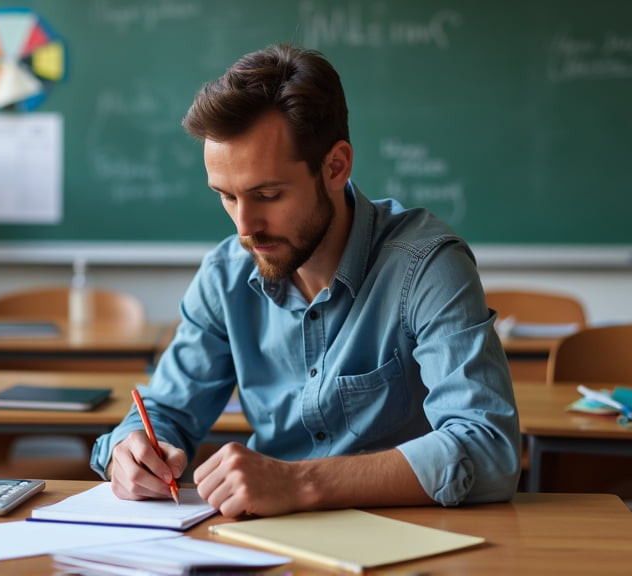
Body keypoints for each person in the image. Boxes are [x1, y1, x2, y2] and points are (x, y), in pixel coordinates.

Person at [90, 44, 520, 518]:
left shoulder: (427, 266)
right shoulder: (225, 275)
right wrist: (130, 452)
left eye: (267, 195)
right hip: (265, 540)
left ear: (335, 166)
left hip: (408, 541)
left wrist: (299, 483)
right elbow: (165, 411)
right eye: (226, 197)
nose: (244, 228)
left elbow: (488, 450)